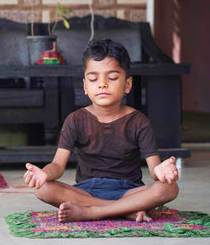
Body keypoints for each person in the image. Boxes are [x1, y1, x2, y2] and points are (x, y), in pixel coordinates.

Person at [23, 38, 179, 223]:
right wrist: (44, 174)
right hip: (86, 191)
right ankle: (122, 211)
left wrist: (162, 170)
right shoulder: (75, 120)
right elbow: (57, 165)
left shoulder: (139, 121)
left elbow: (154, 170)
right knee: (43, 188)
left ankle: (92, 212)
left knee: (169, 188)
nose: (102, 84)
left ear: (127, 84)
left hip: (129, 191)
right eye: (93, 78)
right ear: (85, 86)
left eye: (112, 77)